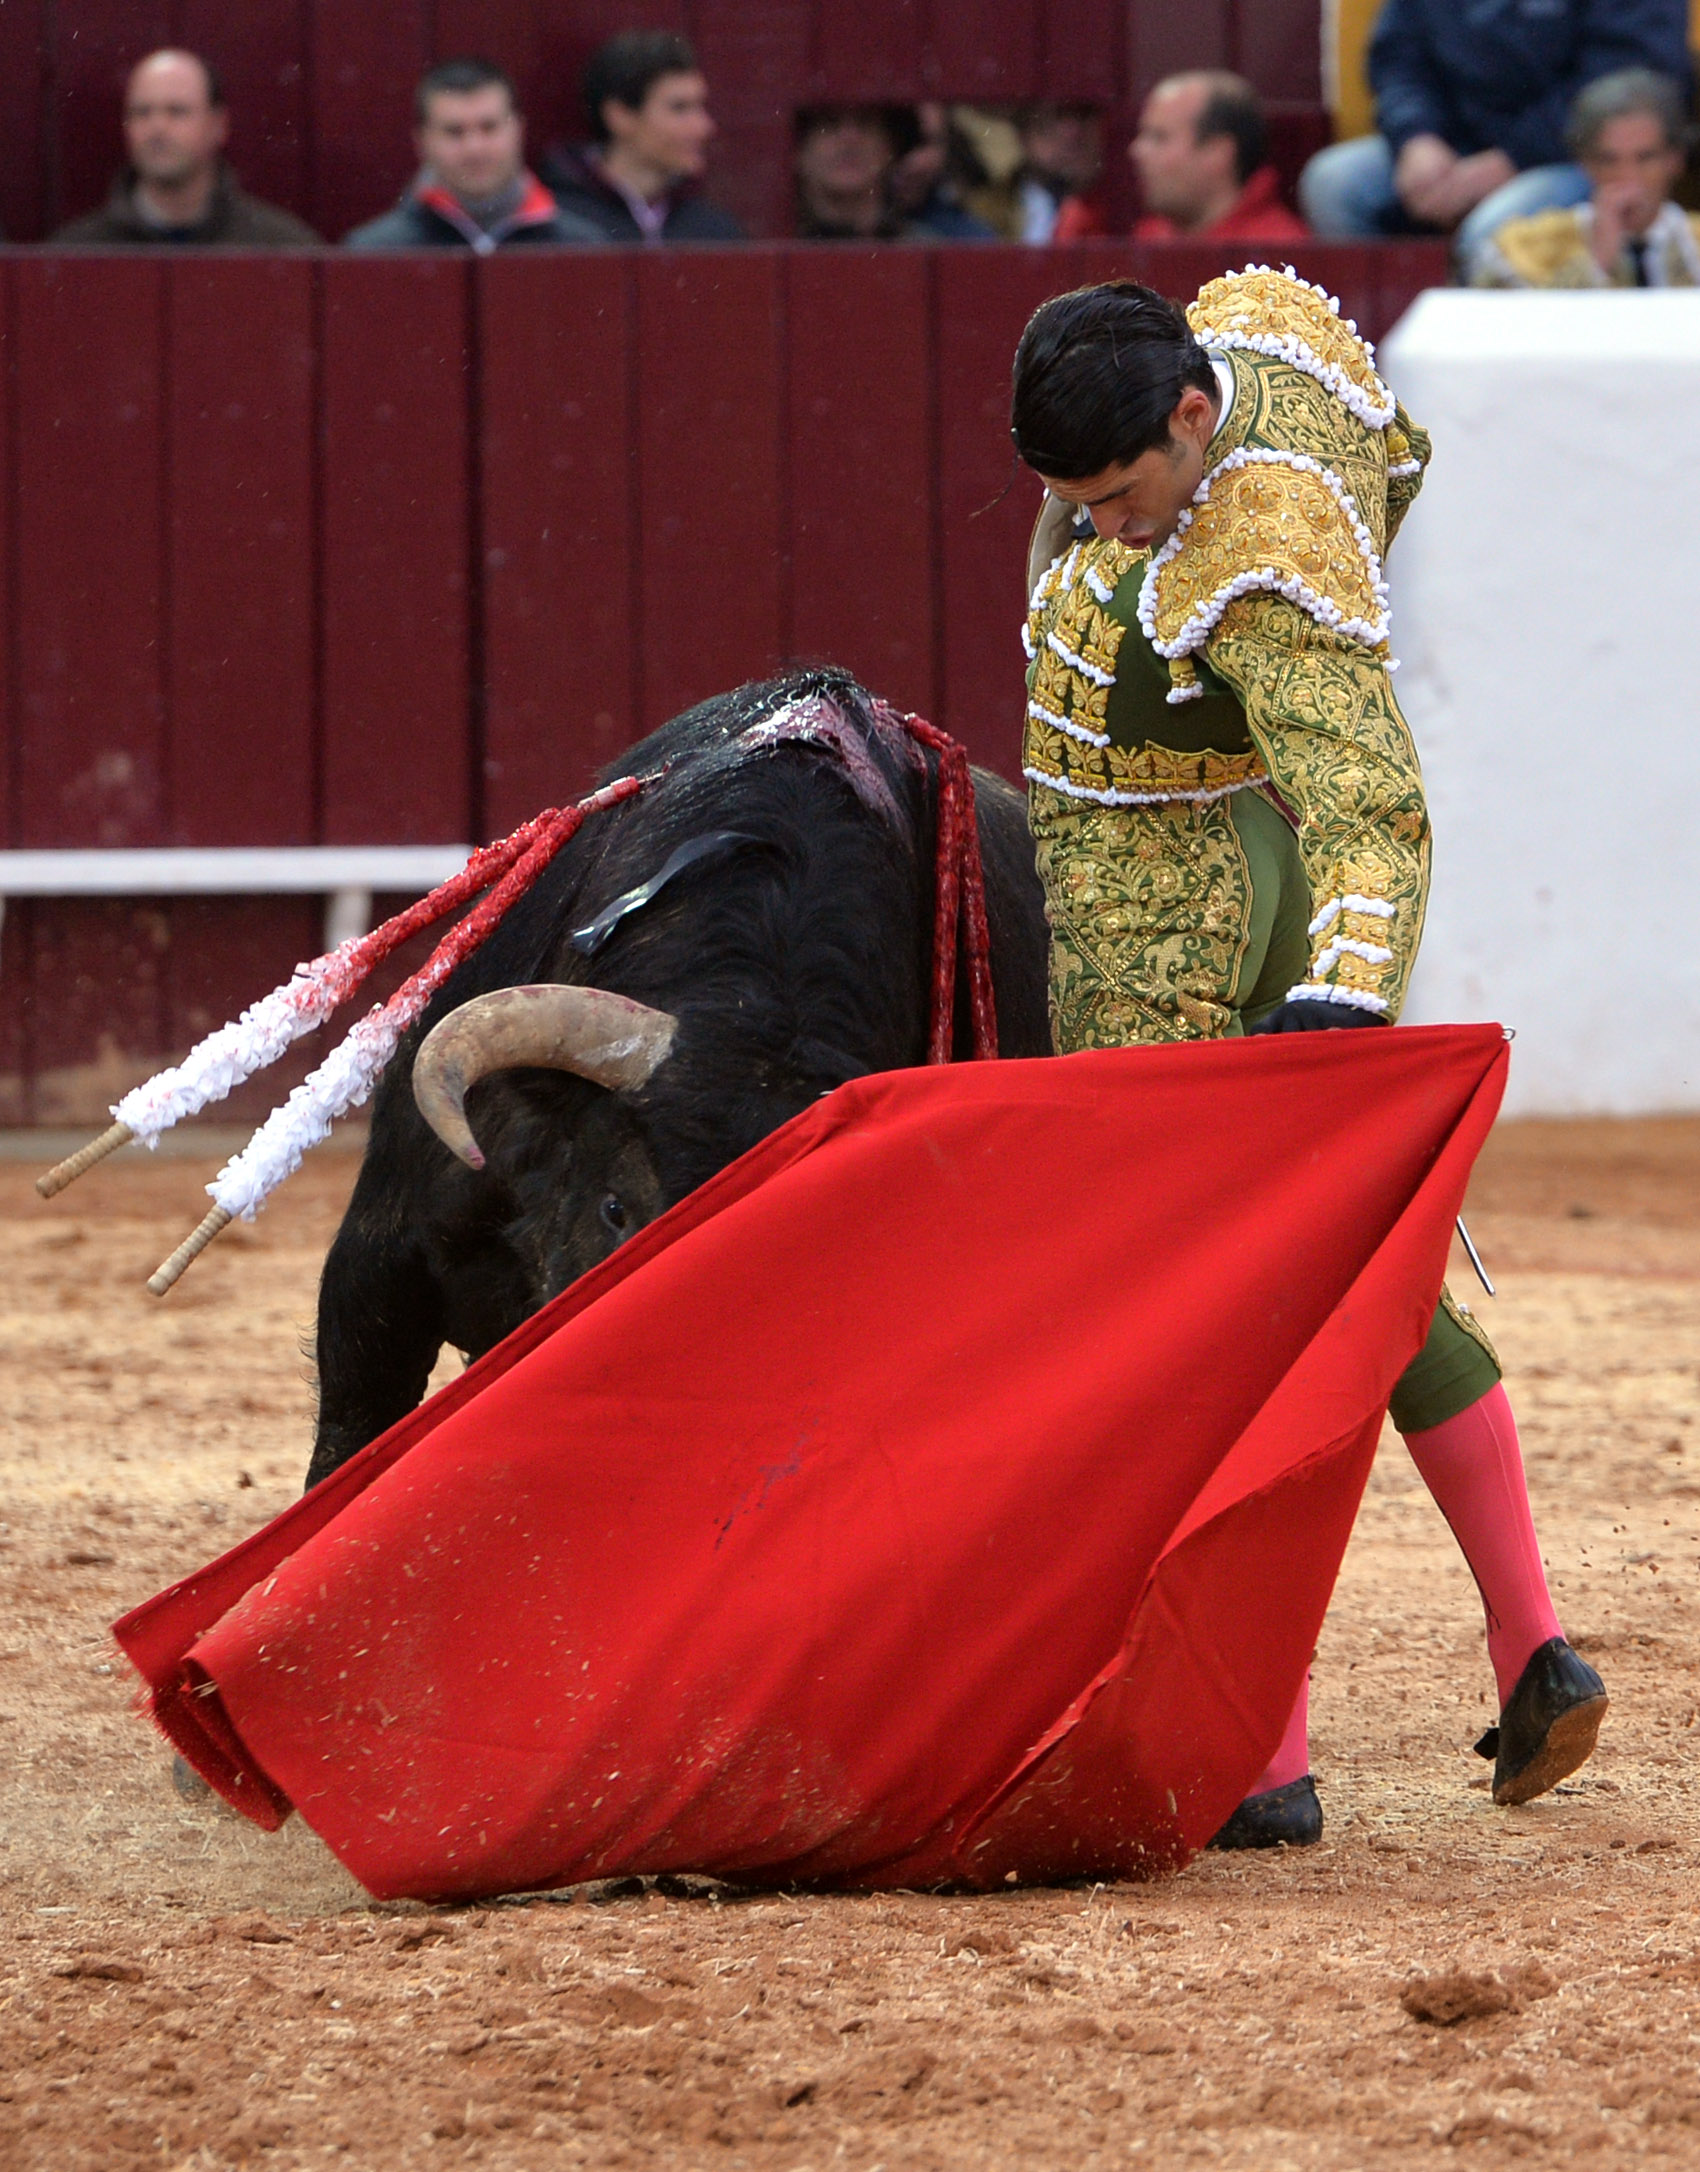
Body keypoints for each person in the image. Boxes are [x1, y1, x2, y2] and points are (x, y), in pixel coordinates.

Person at [1009, 273, 1608, 1845]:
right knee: (1349, 1269)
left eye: (1121, 494)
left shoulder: (1257, 555)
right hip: (1239, 839)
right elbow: (1390, 448)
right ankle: (1528, 1634)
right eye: (1073, 503)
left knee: (1196, 1316)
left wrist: (1343, 1002)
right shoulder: (1251, 360)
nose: (1104, 532)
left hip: (1167, 901)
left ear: (1189, 419)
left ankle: (1265, 1757)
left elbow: (1371, 802)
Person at [1299, 0, 1689, 267]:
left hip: (1579, 155)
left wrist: (1511, 159)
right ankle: (1361, 358)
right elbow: (1397, 55)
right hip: (1450, 144)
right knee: (1332, 183)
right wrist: (1417, 137)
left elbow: (1626, 81)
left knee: (1494, 232)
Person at [52, 48, 320, 246]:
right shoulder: (77, 251)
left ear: (218, 125)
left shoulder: (280, 248)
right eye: (142, 112)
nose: (157, 128)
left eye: (177, 111)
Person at [345, 58, 602, 251]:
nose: (474, 148)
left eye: (489, 127)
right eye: (454, 132)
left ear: (519, 130)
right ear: (422, 141)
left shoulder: (584, 247)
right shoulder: (375, 251)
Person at [1475, 69, 1700, 287]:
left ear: (1675, 160)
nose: (1628, 176)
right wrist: (1596, 264)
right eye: (1609, 160)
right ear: (1586, 165)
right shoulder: (1525, 248)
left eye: (1645, 158)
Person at [1054, 72, 1306, 245]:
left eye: (1159, 137)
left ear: (1218, 152)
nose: (1137, 150)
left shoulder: (1279, 256)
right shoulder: (1150, 237)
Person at [542, 31, 743, 243]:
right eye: (680, 108)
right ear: (619, 116)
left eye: (700, 107)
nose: (704, 127)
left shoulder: (715, 231)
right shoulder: (551, 228)